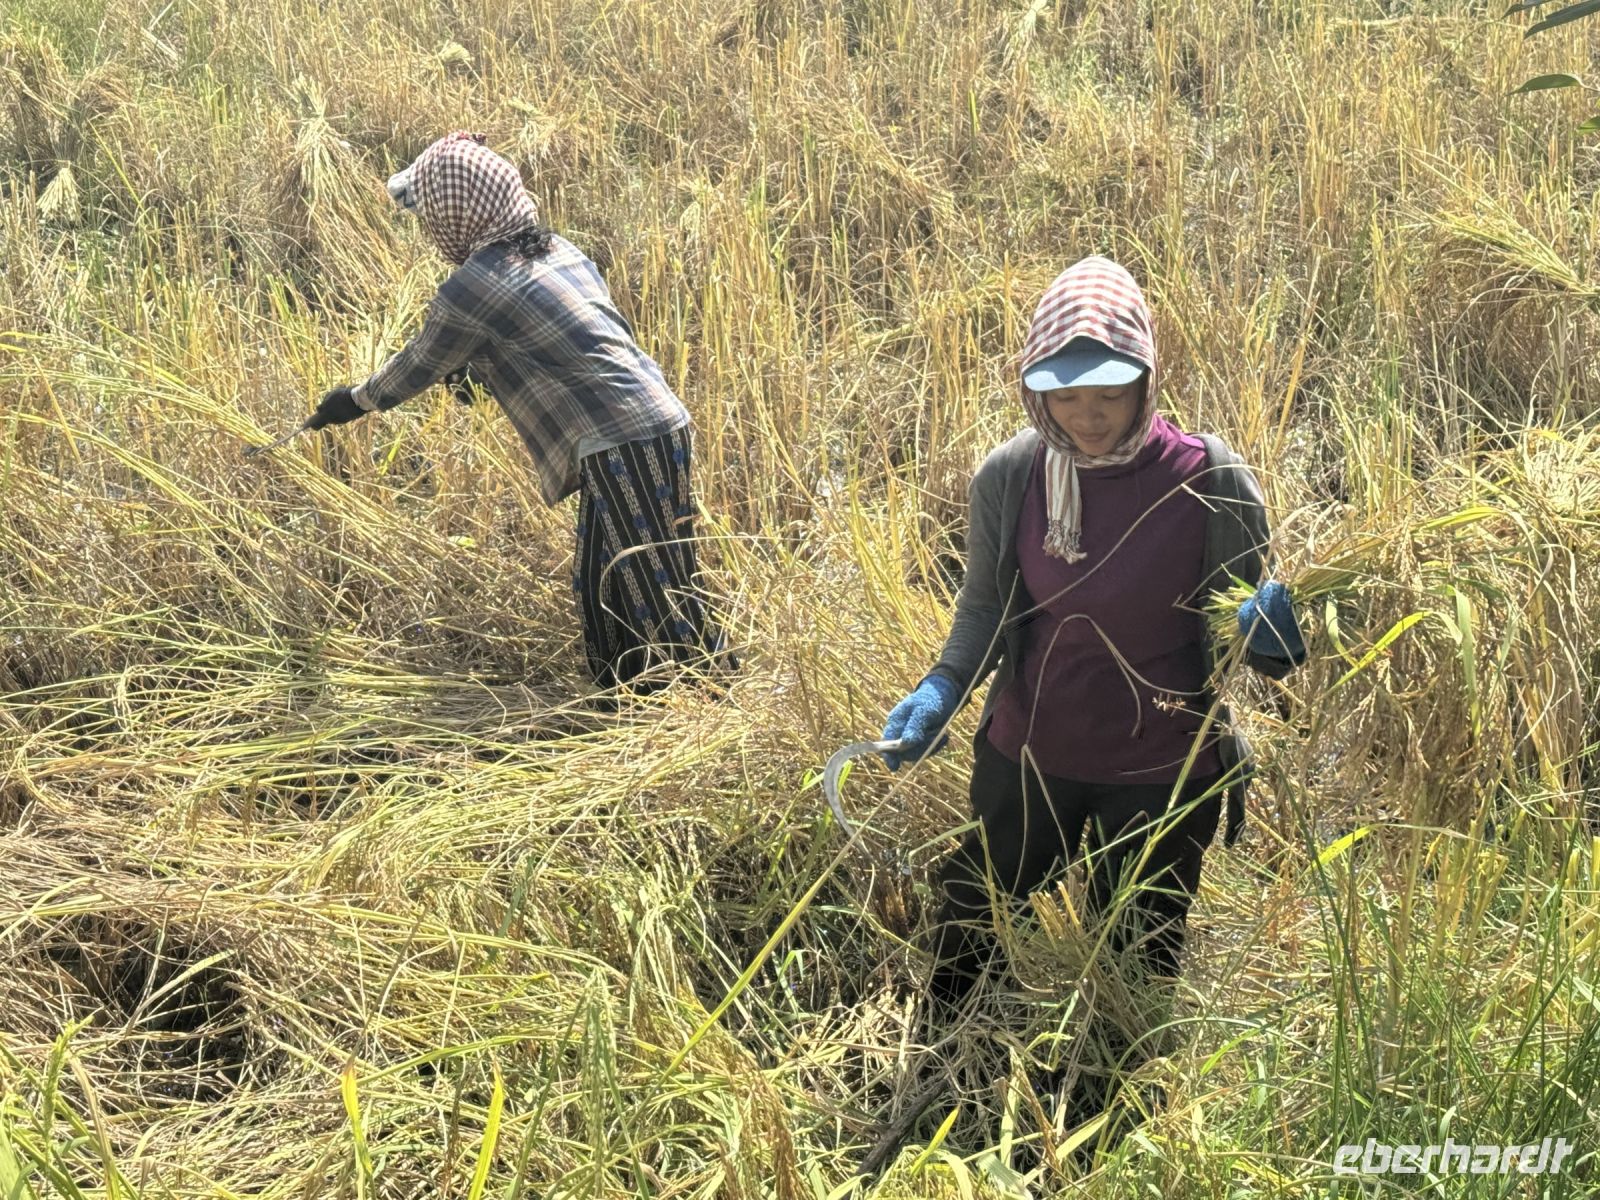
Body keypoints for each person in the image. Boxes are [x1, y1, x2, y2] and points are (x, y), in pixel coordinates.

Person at [877, 255, 1306, 1155]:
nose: (1089, 414)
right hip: (1031, 754)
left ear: (1148, 376)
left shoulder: (1212, 481)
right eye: (1064, 395)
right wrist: (942, 689)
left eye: (1110, 391)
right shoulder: (1012, 476)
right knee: (976, 914)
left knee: (1140, 950)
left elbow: (1253, 650)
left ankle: (1107, 1134)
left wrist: (1271, 638)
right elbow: (985, 610)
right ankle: (946, 1085)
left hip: (1162, 771)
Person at [303, 131, 734, 697]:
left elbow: (418, 364)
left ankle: (709, 705)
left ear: (458, 212)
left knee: (654, 590)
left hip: (624, 442)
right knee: (603, 583)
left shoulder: (473, 286)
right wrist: (483, 372)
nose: (431, 230)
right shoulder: (557, 250)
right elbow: (567, 341)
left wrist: (353, 400)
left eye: (431, 216)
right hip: (655, 427)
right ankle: (625, 706)